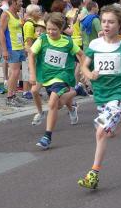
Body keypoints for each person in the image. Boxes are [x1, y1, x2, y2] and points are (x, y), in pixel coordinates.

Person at [78, 5, 121, 190]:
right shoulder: (95, 44)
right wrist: (89, 74)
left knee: (100, 132)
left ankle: (93, 173)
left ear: (120, 26)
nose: (106, 25)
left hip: (120, 92)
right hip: (102, 94)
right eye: (104, 21)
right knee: (108, 132)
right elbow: (84, 65)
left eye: (111, 22)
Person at [28, 13, 82, 149]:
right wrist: (32, 74)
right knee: (56, 105)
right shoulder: (42, 39)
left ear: (61, 29)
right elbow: (31, 55)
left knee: (52, 102)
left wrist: (84, 70)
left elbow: (81, 55)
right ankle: (75, 94)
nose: (50, 32)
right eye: (48, 29)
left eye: (54, 29)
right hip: (45, 75)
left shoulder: (68, 42)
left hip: (62, 76)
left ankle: (47, 136)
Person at [0, 0, 25, 106]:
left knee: (16, 73)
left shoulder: (17, 14)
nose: (22, 3)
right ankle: (9, 97)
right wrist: (4, 50)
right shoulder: (6, 14)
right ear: (14, 2)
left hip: (19, 47)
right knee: (14, 73)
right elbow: (1, 32)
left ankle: (13, 95)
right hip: (11, 48)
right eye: (20, 1)